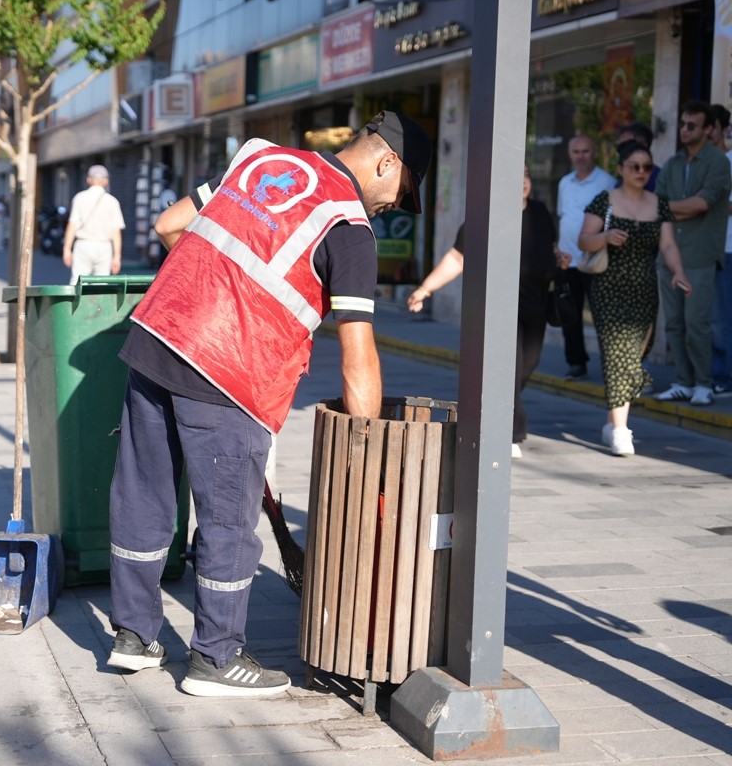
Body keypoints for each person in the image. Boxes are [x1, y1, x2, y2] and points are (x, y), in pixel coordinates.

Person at [106, 110, 432, 697]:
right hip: (231, 372)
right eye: (399, 193)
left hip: (159, 336)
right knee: (228, 517)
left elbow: (169, 225)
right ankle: (215, 657)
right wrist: (369, 448)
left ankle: (133, 636)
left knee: (145, 493)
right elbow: (358, 356)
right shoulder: (350, 229)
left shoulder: (260, 158)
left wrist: (215, 289)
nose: (390, 207)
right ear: (387, 162)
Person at [408, 165, 557, 460]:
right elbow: (457, 257)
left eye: (525, 176)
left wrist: (559, 257)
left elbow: (549, 247)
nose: (522, 182)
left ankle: (495, 412)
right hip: (499, 309)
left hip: (535, 306)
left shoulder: (541, 213)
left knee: (528, 365)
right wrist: (425, 289)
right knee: (510, 370)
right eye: (516, 176)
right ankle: (509, 432)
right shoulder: (486, 217)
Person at [577, 140, 693, 455]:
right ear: (621, 169)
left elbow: (668, 246)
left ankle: (612, 420)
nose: (642, 172)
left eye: (647, 167)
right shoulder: (606, 200)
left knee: (632, 359)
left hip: (644, 290)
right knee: (619, 356)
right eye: (635, 167)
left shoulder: (659, 203)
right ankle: (620, 430)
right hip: (608, 289)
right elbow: (584, 240)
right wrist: (605, 236)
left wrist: (678, 271)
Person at [654, 99, 732, 406]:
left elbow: (703, 204)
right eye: (682, 124)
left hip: (700, 255)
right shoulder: (673, 164)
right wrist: (676, 209)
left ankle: (704, 383)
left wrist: (669, 209)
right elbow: (656, 207)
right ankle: (684, 381)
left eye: (692, 126)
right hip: (669, 255)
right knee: (674, 323)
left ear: (709, 129)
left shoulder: (718, 163)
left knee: (698, 323)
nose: (684, 131)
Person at [556, 135, 617, 380]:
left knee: (603, 316)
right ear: (570, 154)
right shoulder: (564, 183)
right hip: (568, 260)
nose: (581, 156)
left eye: (586, 151)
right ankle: (576, 363)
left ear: (595, 153)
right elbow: (563, 215)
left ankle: (610, 365)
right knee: (570, 315)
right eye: (576, 151)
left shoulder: (607, 182)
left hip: (595, 261)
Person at [62, 165, 125, 285]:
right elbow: (116, 232)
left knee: (77, 282)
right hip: (104, 246)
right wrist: (117, 256)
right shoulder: (112, 201)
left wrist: (66, 249)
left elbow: (72, 225)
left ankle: (77, 304)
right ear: (106, 181)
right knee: (101, 284)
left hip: (83, 245)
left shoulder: (79, 198)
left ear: (88, 180)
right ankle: (98, 304)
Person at [708, 104, 732, 397]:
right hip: (704, 250)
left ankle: (723, 378)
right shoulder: (697, 163)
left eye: (709, 125)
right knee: (711, 320)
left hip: (727, 249)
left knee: (721, 319)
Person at [615, 122, 660, 191]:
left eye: (627, 146)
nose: (623, 152)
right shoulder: (622, 178)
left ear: (643, 145)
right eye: (620, 148)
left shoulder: (661, 180)